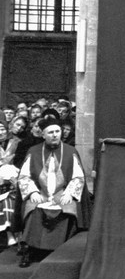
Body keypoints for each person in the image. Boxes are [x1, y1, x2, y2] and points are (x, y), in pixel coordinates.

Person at [16, 113, 89, 268]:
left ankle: (62, 250)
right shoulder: (33, 151)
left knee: (69, 207)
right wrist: (33, 192)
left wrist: (69, 193)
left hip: (61, 193)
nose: (55, 135)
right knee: (31, 207)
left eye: (57, 131)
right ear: (43, 135)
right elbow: (24, 177)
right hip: (40, 193)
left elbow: (78, 177)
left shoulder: (70, 151)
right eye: (50, 132)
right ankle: (30, 249)